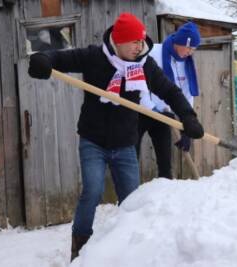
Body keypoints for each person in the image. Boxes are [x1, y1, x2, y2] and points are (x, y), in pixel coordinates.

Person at [27, 13, 204, 261]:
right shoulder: (94, 57)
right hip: (93, 140)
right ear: (118, 42)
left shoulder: (144, 65)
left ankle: (126, 252)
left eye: (140, 42)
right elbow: (58, 57)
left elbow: (170, 91)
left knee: (132, 200)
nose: (138, 47)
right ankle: (80, 247)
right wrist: (43, 60)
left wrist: (188, 117)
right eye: (133, 42)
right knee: (93, 189)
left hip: (124, 144)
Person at [137, 22, 201, 179]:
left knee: (165, 163)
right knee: (131, 157)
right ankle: (129, 198)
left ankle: (165, 198)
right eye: (190, 47)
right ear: (181, 42)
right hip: (141, 111)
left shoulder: (187, 62)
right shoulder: (154, 53)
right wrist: (152, 109)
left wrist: (188, 125)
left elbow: (186, 94)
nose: (191, 52)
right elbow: (140, 85)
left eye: (194, 49)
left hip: (166, 116)